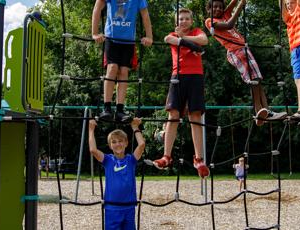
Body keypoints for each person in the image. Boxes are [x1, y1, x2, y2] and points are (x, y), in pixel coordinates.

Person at [205, 0, 287, 126]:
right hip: (235, 51)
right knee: (253, 79)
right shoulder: (210, 21)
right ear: (208, 10)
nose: (217, 9)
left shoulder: (224, 14)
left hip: (243, 48)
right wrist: (240, 6)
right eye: (214, 7)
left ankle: (267, 112)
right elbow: (228, 25)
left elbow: (234, 2)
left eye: (220, 7)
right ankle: (258, 111)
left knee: (258, 79)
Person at [153, 8, 210, 178]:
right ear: (176, 22)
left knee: (195, 116)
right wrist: (195, 48)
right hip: (177, 76)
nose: (184, 21)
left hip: (195, 77)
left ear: (191, 21)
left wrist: (185, 40)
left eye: (187, 18)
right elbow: (170, 39)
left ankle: (198, 158)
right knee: (174, 115)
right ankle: (166, 156)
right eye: (181, 19)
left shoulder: (197, 32)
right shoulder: (171, 35)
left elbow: (204, 41)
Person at [92, 0, 153, 122]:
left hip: (128, 41)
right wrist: (94, 33)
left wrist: (149, 36)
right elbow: (97, 8)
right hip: (111, 38)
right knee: (112, 67)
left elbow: (145, 15)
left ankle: (120, 109)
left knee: (124, 71)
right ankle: (107, 108)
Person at [88, 118, 145, 230]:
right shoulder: (108, 160)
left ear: (126, 143)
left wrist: (135, 127)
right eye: (114, 142)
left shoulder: (131, 160)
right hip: (112, 207)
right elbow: (93, 150)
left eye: (120, 141)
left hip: (129, 207)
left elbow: (142, 144)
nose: (117, 144)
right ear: (110, 146)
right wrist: (91, 129)